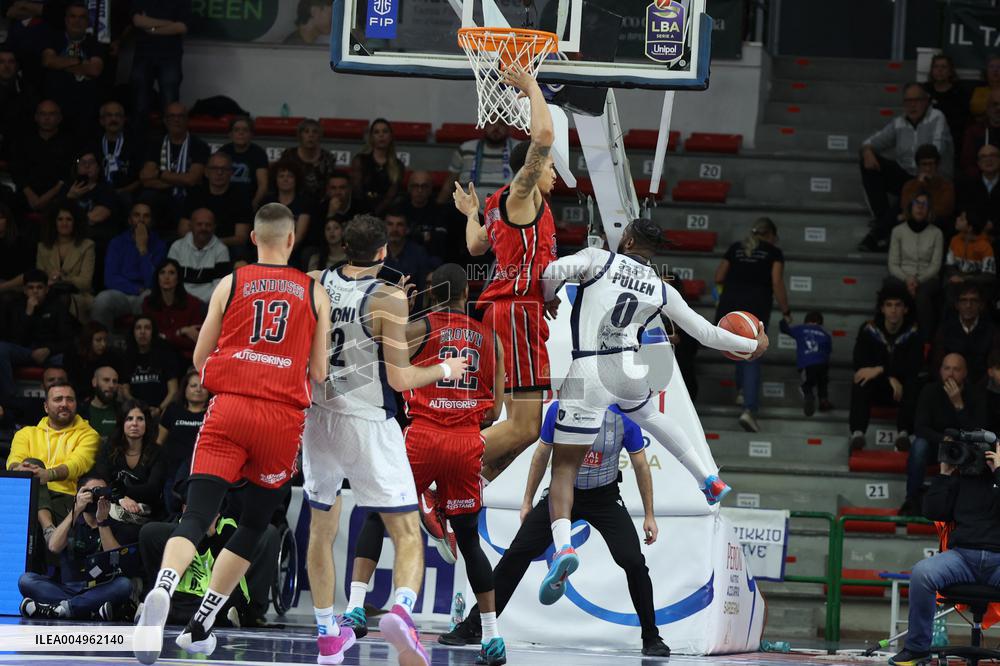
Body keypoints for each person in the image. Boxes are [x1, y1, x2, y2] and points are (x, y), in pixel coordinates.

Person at [134, 202, 330, 665]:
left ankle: (163, 589)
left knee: (196, 516)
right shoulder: (313, 291)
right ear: (290, 240)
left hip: (229, 409)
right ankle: (202, 622)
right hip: (281, 420)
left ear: (254, 239)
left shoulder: (231, 281)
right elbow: (319, 371)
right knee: (254, 523)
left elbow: (201, 359)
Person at [536, 218, 766, 602]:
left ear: (625, 239)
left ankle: (563, 547)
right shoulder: (661, 287)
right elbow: (705, 333)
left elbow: (552, 271)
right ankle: (707, 478)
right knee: (652, 417)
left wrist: (549, 294)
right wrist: (749, 346)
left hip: (590, 367)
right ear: (652, 251)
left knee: (564, 468)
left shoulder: (599, 259)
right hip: (628, 368)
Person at [301, 215, 468, 666]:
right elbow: (401, 376)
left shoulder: (314, 281)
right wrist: (445, 370)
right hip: (369, 421)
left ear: (342, 247)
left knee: (321, 530)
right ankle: (401, 611)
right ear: (383, 253)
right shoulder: (389, 296)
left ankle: (327, 634)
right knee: (407, 531)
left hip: (318, 418)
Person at [340, 263, 507, 664]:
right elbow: (496, 409)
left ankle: (357, 607)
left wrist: (399, 307)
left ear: (430, 294)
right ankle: (492, 638)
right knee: (468, 539)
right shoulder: (492, 340)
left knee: (380, 516)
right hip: (467, 441)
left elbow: (375, 357)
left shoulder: (419, 327)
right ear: (467, 293)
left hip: (422, 435)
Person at [441, 402, 672, 658]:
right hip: (561, 492)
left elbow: (640, 465)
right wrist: (527, 500)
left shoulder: (623, 416)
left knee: (633, 561)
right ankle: (474, 627)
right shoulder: (560, 409)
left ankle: (651, 636)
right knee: (517, 553)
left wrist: (649, 515)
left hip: (604, 497)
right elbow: (541, 455)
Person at [452, 65, 557, 485]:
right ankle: (449, 463)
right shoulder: (520, 196)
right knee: (526, 427)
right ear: (530, 170)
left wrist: (470, 214)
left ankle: (471, 482)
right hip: (515, 313)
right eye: (548, 168)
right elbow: (544, 138)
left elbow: (476, 246)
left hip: (510, 312)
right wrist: (531, 86)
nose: (553, 174)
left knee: (527, 429)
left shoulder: (496, 204)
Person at [887, 428, 1000, 665]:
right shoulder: (960, 479)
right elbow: (933, 512)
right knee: (922, 573)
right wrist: (944, 474)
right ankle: (917, 649)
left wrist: (998, 471)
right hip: (962, 559)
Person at [139, 505, 279, 628]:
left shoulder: (227, 527)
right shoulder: (179, 527)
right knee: (149, 531)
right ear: (184, 510)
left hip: (216, 592)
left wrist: (210, 535)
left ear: (217, 514)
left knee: (226, 603)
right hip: (184, 594)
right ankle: (161, 606)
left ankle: (168, 613)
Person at [17, 472, 132, 621]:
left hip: (98, 589)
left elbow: (115, 560)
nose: (95, 497)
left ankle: (62, 609)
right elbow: (53, 546)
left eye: (101, 492)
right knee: (26, 580)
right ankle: (86, 610)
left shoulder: (113, 524)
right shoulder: (71, 521)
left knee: (124, 585)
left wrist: (102, 522)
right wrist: (76, 509)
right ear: (77, 495)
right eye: (90, 492)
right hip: (66, 587)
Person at [713, 217, 790, 432]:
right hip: (754, 310)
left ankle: (741, 391)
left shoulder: (736, 248)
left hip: (729, 309)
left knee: (738, 351)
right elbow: (776, 282)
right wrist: (787, 311)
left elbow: (718, 276)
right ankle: (749, 408)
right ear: (771, 236)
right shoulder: (774, 253)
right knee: (751, 355)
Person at [859, 84, 954, 251]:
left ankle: (877, 234)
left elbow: (935, 152)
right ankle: (883, 220)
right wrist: (867, 150)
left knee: (912, 189)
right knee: (868, 162)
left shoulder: (937, 117)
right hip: (907, 175)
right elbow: (871, 142)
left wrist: (918, 179)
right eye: (908, 101)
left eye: (916, 100)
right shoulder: (899, 122)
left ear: (926, 101)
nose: (912, 105)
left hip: (933, 177)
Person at [6, 382, 99, 549]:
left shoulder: (89, 434)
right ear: (46, 407)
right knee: (31, 470)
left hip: (66, 500)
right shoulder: (26, 433)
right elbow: (14, 460)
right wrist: (17, 469)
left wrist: (49, 475)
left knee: (27, 506)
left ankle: (48, 531)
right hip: (28, 496)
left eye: (69, 399)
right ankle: (48, 529)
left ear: (76, 405)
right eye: (58, 399)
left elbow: (78, 463)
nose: (64, 404)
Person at [901, 353, 987, 516]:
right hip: (936, 445)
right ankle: (911, 500)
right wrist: (943, 439)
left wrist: (958, 405)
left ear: (965, 373)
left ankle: (971, 506)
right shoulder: (930, 391)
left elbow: (978, 432)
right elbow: (920, 427)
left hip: (964, 447)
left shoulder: (976, 394)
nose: (950, 373)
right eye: (947, 368)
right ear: (940, 371)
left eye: (956, 369)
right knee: (919, 445)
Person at [849, 284, 923, 453]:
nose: (893, 310)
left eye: (898, 305)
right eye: (889, 305)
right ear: (882, 308)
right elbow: (860, 364)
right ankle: (858, 433)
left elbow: (913, 366)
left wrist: (880, 370)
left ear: (905, 309)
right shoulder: (868, 330)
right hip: (877, 389)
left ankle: (903, 434)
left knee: (914, 382)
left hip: (901, 392)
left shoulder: (914, 333)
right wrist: (888, 375)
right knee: (861, 380)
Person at [0, 269, 76, 404]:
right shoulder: (15, 306)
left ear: (46, 289)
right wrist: (28, 314)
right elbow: (15, 341)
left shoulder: (57, 307)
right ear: (24, 290)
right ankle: (10, 401)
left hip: (50, 354)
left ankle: (65, 399)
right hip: (25, 352)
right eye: (31, 288)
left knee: (70, 355)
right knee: (1, 349)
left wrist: (48, 349)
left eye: (39, 287)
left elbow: (68, 340)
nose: (35, 291)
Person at [94, 399, 166, 539]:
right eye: (129, 419)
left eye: (140, 419)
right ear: (122, 423)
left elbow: (153, 488)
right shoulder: (109, 449)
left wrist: (120, 493)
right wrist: (121, 498)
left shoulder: (158, 452)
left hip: (149, 513)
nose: (134, 423)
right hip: (114, 510)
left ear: (147, 424)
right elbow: (101, 479)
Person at [91, 202, 167, 328]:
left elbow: (154, 282)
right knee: (102, 299)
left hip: (146, 293)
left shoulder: (159, 245)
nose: (141, 220)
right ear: (130, 220)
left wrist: (142, 250)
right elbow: (110, 279)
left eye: (146, 216)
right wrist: (136, 289)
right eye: (137, 215)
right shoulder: (117, 243)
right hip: (121, 294)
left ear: (151, 221)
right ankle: (103, 343)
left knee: (150, 298)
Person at [40, 2, 106, 140]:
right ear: (66, 19)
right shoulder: (54, 38)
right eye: (73, 16)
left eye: (82, 17)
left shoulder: (95, 43)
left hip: (85, 108)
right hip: (56, 107)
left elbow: (94, 70)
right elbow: (48, 61)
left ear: (87, 21)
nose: (77, 21)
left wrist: (60, 62)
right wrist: (79, 62)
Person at [885, 190, 944, 338]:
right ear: (910, 207)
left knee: (922, 296)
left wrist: (917, 280)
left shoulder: (936, 233)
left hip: (927, 277)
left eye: (924, 204)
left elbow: (935, 265)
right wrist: (908, 279)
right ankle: (890, 335)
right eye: (917, 203)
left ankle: (925, 341)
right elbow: (893, 264)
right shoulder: (898, 231)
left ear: (929, 209)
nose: (920, 207)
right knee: (892, 288)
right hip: (902, 275)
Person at [138, 102, 210, 223]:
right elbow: (146, 178)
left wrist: (160, 174)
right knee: (146, 198)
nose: (176, 120)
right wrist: (179, 180)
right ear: (165, 121)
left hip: (189, 195)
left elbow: (192, 180)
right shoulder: (155, 144)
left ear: (187, 120)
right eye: (172, 116)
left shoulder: (199, 145)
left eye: (181, 116)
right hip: (161, 194)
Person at [129, 0, 191, 133]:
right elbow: (138, 21)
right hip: (143, 55)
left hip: (170, 56)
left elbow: (182, 27)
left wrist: (151, 29)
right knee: (139, 105)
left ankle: (169, 145)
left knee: (170, 107)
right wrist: (169, 23)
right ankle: (139, 145)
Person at [156, 369, 209, 515]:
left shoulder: (213, 412)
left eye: (202, 385)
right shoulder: (173, 410)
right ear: (184, 389)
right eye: (193, 385)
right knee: (173, 515)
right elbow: (159, 442)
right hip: (172, 474)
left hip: (201, 474)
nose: (198, 389)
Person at [179, 152, 253, 251]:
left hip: (226, 247)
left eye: (224, 169)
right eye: (214, 168)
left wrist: (211, 245)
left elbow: (241, 238)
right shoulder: (195, 194)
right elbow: (183, 230)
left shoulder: (241, 197)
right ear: (206, 172)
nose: (219, 172)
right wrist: (200, 244)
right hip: (194, 246)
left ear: (231, 172)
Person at [36, 202, 95, 321]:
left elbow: (86, 282)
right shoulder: (42, 247)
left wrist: (62, 278)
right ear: (54, 222)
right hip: (49, 292)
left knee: (63, 299)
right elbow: (39, 278)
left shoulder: (87, 245)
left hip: (78, 295)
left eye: (69, 219)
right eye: (60, 219)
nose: (64, 223)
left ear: (75, 222)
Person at [12, 100, 73, 212]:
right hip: (26, 199)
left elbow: (67, 175)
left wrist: (44, 199)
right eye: (43, 114)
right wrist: (32, 197)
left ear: (59, 118)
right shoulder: (24, 142)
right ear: (36, 117)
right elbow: (17, 170)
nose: (47, 118)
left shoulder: (69, 143)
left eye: (51, 114)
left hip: (58, 199)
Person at [931, 284, 998, 385]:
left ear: (981, 305)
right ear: (957, 305)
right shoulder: (945, 329)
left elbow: (993, 366)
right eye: (963, 300)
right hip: (949, 384)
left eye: (974, 301)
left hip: (981, 388)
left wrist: (976, 390)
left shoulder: (992, 330)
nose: (968, 305)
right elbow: (937, 363)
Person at [142, 258, 205, 359]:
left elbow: (193, 341)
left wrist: (165, 337)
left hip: (185, 358)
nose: (166, 277)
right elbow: (151, 339)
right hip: (156, 356)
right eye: (162, 273)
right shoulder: (148, 303)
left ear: (178, 278)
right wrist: (181, 332)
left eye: (171, 273)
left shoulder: (193, 303)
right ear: (157, 278)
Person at [167, 208, 232, 304]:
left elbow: (219, 287)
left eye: (208, 225)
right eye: (199, 224)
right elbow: (170, 279)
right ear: (190, 226)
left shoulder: (221, 250)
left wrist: (197, 303)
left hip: (207, 304)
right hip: (180, 300)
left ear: (214, 227)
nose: (203, 228)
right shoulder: (177, 247)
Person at [120, 315, 179, 419]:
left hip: (161, 412)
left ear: (153, 332)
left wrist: (160, 409)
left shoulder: (165, 356)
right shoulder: (126, 357)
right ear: (133, 332)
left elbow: (173, 390)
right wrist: (138, 408)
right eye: (138, 328)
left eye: (147, 328)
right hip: (134, 412)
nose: (142, 332)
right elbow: (124, 390)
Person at [383, 207, 439, 308]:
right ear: (384, 227)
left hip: (411, 312)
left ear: (407, 229)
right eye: (390, 224)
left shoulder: (418, 253)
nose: (394, 229)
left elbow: (422, 290)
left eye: (399, 225)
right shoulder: (376, 252)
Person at [780, 311, 833, 416]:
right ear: (820, 323)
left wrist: (785, 319)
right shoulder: (825, 333)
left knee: (807, 384)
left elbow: (784, 329)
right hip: (823, 364)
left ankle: (809, 396)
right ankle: (823, 400)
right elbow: (829, 350)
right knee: (823, 383)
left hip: (807, 364)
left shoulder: (801, 329)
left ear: (806, 321)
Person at [351, 118, 404, 217]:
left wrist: (374, 214)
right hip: (360, 211)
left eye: (385, 131)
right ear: (371, 137)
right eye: (376, 132)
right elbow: (357, 191)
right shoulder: (360, 160)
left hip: (386, 214)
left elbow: (390, 197)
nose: (381, 135)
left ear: (391, 136)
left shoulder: (398, 165)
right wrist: (366, 215)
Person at [63, 150, 118, 243]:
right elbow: (56, 215)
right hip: (69, 234)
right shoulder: (68, 188)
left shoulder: (106, 190)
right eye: (83, 162)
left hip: (95, 237)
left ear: (98, 167)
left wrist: (70, 221)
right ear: (77, 167)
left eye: (91, 162)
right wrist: (70, 197)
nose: (87, 166)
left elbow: (95, 217)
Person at [943, 209, 995, 303]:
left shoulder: (985, 246)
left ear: (970, 228)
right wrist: (957, 277)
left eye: (962, 219)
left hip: (975, 282)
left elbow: (988, 275)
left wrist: (964, 279)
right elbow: (949, 265)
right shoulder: (954, 240)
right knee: (949, 288)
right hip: (956, 279)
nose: (957, 219)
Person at [278, 118, 338, 199]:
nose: (311, 135)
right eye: (306, 132)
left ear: (320, 136)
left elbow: (332, 185)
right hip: (293, 201)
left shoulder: (328, 158)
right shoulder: (289, 155)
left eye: (315, 132)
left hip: (320, 203)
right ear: (300, 136)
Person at [63, 322, 123, 402]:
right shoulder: (73, 356)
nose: (103, 344)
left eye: (105, 340)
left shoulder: (111, 357)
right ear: (88, 340)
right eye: (98, 340)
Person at [218, 116, 269, 209]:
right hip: (224, 201)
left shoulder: (259, 153)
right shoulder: (223, 151)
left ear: (251, 134)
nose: (241, 133)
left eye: (245, 130)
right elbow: (216, 179)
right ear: (230, 134)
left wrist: (254, 204)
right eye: (236, 130)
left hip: (250, 201)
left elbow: (263, 185)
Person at [899, 145, 956, 228]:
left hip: (935, 225)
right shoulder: (909, 185)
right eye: (924, 164)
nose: (928, 169)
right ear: (918, 166)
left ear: (937, 165)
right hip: (913, 225)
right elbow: (905, 206)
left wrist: (920, 212)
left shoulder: (946, 186)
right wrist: (919, 184)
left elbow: (945, 209)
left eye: (931, 164)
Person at [261, 159, 312, 249]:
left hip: (294, 250)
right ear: (275, 179)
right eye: (281, 176)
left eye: (290, 176)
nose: (285, 179)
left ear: (296, 180)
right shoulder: (267, 202)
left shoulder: (304, 202)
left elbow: (299, 236)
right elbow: (263, 232)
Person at [923, 54, 970, 152]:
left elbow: (963, 122)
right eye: (936, 66)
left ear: (950, 71)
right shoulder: (924, 90)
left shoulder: (959, 92)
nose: (939, 70)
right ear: (932, 70)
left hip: (953, 140)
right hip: (927, 138)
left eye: (944, 67)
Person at [94, 101, 142, 196]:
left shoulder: (136, 144)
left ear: (124, 120)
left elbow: (141, 179)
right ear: (101, 121)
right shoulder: (93, 144)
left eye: (118, 115)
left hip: (127, 194)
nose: (114, 119)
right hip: (98, 194)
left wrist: (121, 192)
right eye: (109, 115)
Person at [402, 170, 447, 260]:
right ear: (409, 188)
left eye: (424, 186)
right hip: (403, 258)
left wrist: (411, 234)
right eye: (415, 186)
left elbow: (441, 239)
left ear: (430, 189)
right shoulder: (399, 209)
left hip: (431, 258)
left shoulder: (440, 211)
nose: (419, 190)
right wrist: (425, 235)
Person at [960, 88, 1000, 179]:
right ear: (987, 107)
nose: (999, 108)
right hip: (981, 181)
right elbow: (967, 163)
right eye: (995, 104)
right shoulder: (974, 131)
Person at [957, 143, 999, 229]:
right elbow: (965, 212)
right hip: (975, 234)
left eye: (992, 155)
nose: (988, 160)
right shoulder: (968, 186)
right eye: (983, 157)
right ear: (978, 163)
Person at [78, 365, 120, 443]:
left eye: (115, 381)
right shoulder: (80, 411)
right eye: (106, 380)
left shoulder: (122, 411)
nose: (111, 385)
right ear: (94, 382)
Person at [0, 202, 33, 294]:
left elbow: (27, 274)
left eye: (0, 218)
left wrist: (3, 287)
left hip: (16, 287)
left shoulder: (21, 243)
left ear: (8, 220)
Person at [969, 55, 1000, 120]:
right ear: (986, 71)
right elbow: (975, 108)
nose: (995, 70)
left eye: (999, 67)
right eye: (991, 67)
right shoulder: (979, 90)